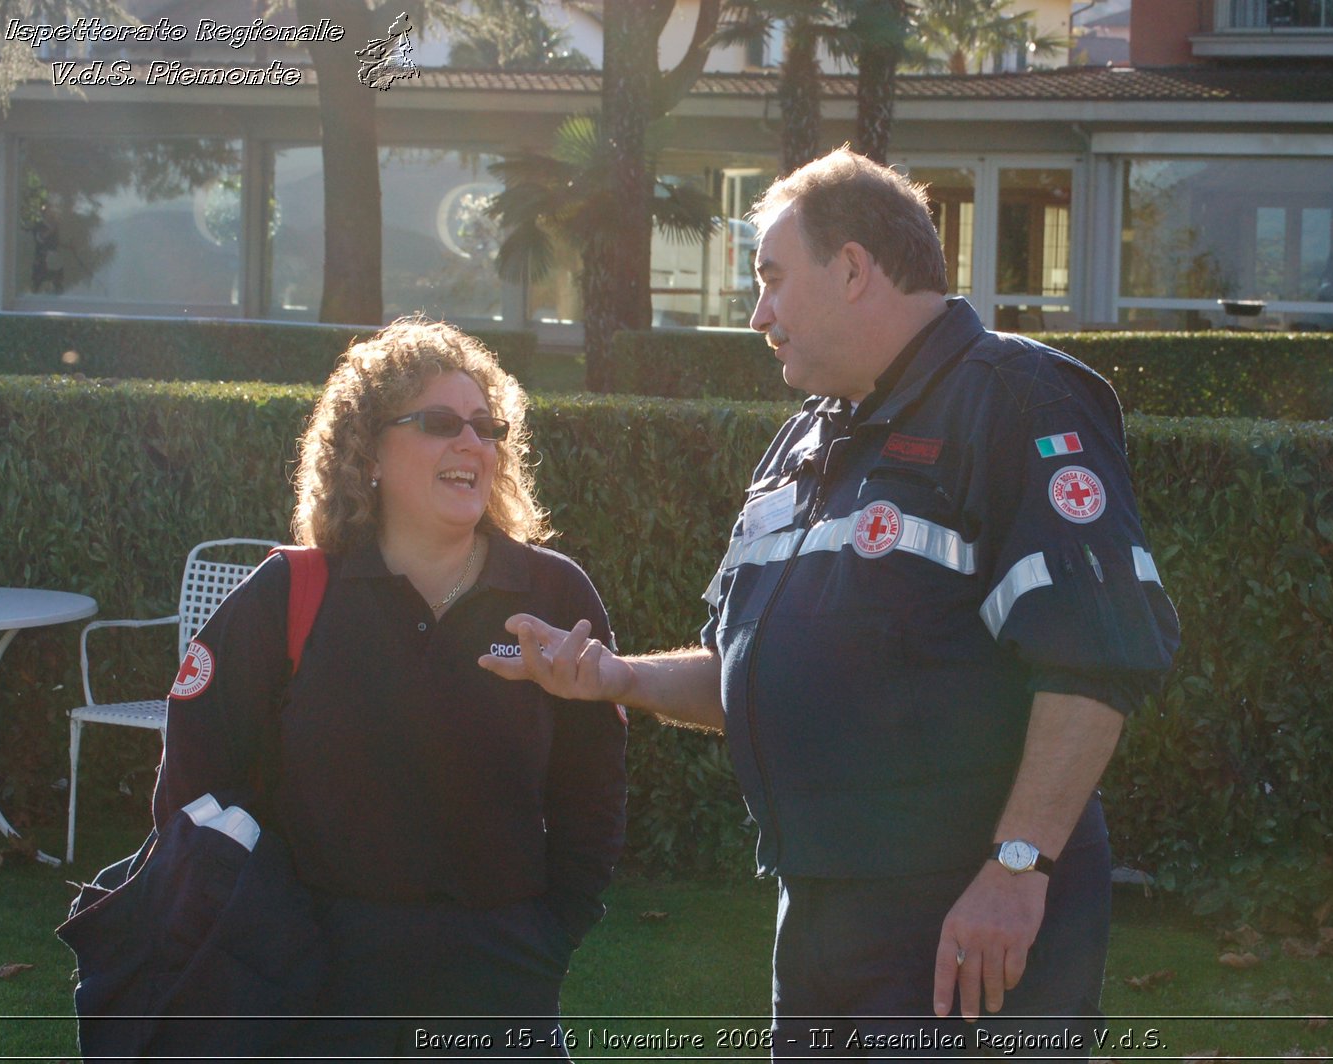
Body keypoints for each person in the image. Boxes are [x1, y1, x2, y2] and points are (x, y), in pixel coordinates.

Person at [482, 149, 1179, 1058]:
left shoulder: (1016, 397)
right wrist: (616, 678)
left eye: (772, 279)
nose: (758, 314)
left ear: (853, 269)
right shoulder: (805, 439)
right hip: (820, 913)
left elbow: (1094, 658)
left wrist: (1017, 870)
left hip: (962, 913)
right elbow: (757, 675)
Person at [152, 317, 626, 1057]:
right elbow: (195, 785)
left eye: (486, 426)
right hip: (316, 985)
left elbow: (593, 786)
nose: (472, 443)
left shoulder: (552, 592)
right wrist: (266, 928)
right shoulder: (291, 593)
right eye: (440, 423)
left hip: (501, 984)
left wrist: (552, 929)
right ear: (368, 448)